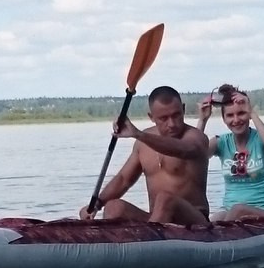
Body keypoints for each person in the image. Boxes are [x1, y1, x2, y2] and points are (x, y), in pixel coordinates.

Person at [85, 85, 210, 226]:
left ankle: (150, 240)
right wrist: (97, 204)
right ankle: (116, 244)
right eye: (164, 118)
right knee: (114, 207)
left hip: (194, 219)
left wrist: (138, 134)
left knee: (165, 199)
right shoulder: (143, 143)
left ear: (184, 109)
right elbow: (124, 179)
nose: (172, 124)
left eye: (176, 115)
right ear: (151, 117)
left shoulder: (196, 137)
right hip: (157, 218)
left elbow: (184, 150)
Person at [192, 83, 264, 221]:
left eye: (241, 113)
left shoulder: (261, 138)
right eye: (230, 115)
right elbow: (194, 156)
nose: (236, 120)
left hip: (263, 209)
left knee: (238, 209)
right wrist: (202, 120)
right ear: (224, 119)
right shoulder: (221, 142)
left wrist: (252, 111)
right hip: (228, 209)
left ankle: (222, 237)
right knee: (209, 222)